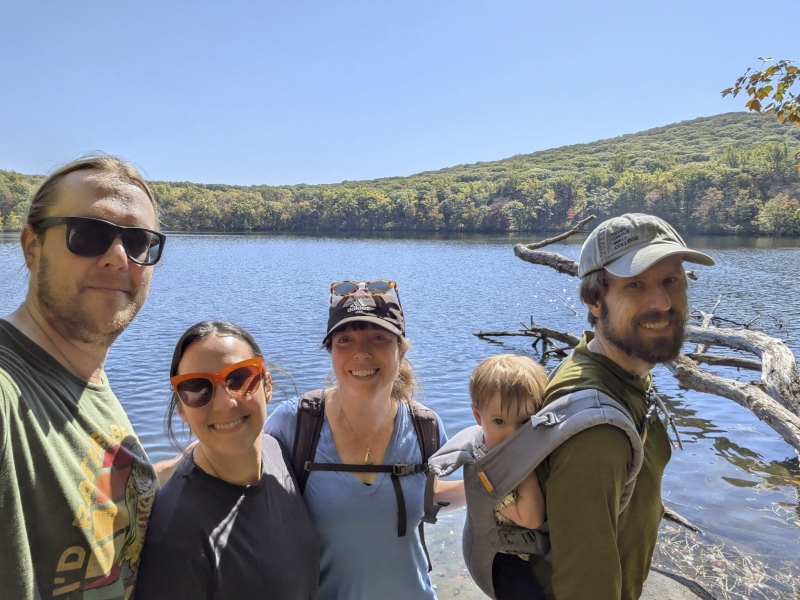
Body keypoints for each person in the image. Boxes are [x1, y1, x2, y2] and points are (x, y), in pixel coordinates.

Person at [0, 155, 165, 598]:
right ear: (32, 247)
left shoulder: (86, 381)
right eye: (88, 234)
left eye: (138, 242)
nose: (118, 257)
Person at [528, 213, 715, 600]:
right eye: (635, 285)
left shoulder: (613, 369)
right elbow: (584, 585)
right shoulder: (596, 431)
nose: (661, 302)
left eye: (671, 281)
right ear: (595, 300)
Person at [264, 280, 465, 600]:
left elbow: (429, 495)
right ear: (330, 349)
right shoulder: (295, 424)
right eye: (345, 339)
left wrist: (490, 483)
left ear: (402, 349)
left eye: (378, 338)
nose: (361, 352)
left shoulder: (425, 425)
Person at [135, 321, 319, 599]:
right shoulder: (177, 539)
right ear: (182, 409)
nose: (225, 403)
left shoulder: (275, 451)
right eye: (197, 387)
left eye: (239, 378)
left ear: (266, 385)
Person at [468, 354, 547, 600]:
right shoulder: (488, 468)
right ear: (478, 417)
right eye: (499, 421)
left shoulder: (502, 442)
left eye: (525, 422)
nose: (513, 434)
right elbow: (531, 518)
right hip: (504, 561)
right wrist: (523, 463)